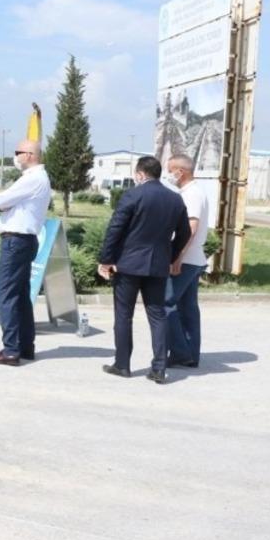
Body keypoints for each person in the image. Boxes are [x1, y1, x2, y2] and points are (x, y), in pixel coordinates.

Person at [97, 155, 192, 384]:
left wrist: (106, 260)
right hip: (158, 266)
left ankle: (122, 365)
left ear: (140, 174)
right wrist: (170, 256)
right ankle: (159, 368)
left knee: (123, 315)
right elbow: (185, 233)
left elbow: (115, 229)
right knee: (157, 315)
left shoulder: (133, 195)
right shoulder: (175, 199)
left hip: (128, 264)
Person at [0, 139, 52, 366]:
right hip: (25, 241)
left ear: (30, 155)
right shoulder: (38, 178)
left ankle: (11, 349)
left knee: (6, 295)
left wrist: (5, 203)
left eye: (18, 152)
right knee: (21, 296)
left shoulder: (32, 178)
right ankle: (24, 346)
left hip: (15, 242)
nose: (15, 156)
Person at [163, 154, 209, 369]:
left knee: (165, 304)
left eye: (170, 170)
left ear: (180, 172)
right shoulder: (194, 192)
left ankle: (181, 352)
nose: (168, 174)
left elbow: (191, 228)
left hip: (187, 259)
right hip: (194, 258)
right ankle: (190, 354)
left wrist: (177, 258)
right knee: (188, 307)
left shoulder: (191, 194)